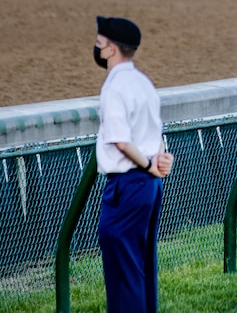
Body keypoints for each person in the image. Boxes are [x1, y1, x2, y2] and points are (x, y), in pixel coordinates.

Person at [93, 16, 174, 312]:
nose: (97, 50)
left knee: (123, 273)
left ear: (112, 49)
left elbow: (121, 141)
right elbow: (156, 133)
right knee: (141, 268)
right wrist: (158, 162)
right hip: (149, 187)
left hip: (127, 185)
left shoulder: (114, 88)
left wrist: (150, 164)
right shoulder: (143, 82)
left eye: (100, 45)